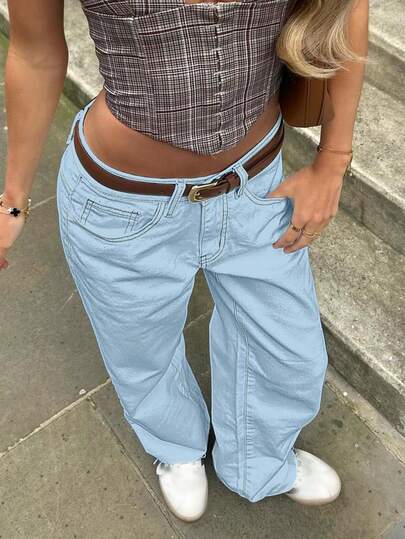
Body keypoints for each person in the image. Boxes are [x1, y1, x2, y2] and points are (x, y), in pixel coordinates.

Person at [1, 0, 368, 522]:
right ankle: (175, 447)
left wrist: (332, 161)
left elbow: (346, 8)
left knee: (289, 348)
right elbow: (35, 52)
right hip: (121, 202)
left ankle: (260, 462)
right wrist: (13, 200)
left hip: (257, 187)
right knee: (140, 348)